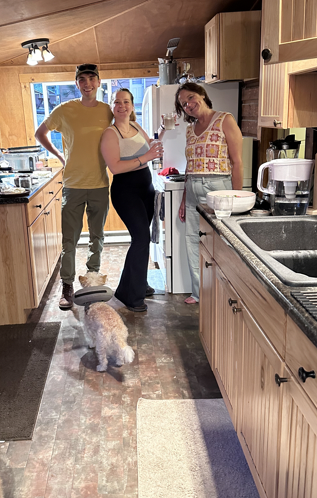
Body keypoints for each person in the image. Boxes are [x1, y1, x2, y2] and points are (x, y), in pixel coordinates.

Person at [35, 64, 113, 310]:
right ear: (77, 84)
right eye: (82, 79)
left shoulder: (108, 111)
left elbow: (124, 131)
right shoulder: (64, 110)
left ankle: (92, 279)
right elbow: (40, 133)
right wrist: (60, 156)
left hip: (100, 184)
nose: (87, 83)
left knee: (97, 237)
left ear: (98, 82)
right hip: (73, 185)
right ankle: (67, 285)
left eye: (91, 78)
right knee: (69, 241)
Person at [172, 81, 243, 304]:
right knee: (193, 240)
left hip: (218, 187)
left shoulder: (225, 119)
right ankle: (198, 293)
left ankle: (225, 292)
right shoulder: (189, 129)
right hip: (192, 187)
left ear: (202, 95)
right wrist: (184, 199)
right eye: (183, 104)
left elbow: (237, 162)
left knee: (223, 242)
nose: (188, 105)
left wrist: (238, 198)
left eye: (190, 98)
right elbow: (190, 165)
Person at [100, 88, 163, 312]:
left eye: (126, 102)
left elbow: (150, 145)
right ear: (112, 107)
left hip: (146, 188)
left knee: (141, 240)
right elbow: (115, 167)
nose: (122, 106)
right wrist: (146, 157)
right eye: (117, 102)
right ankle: (132, 298)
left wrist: (161, 135)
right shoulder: (110, 134)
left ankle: (136, 285)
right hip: (126, 191)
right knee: (141, 238)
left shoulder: (136, 126)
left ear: (132, 105)